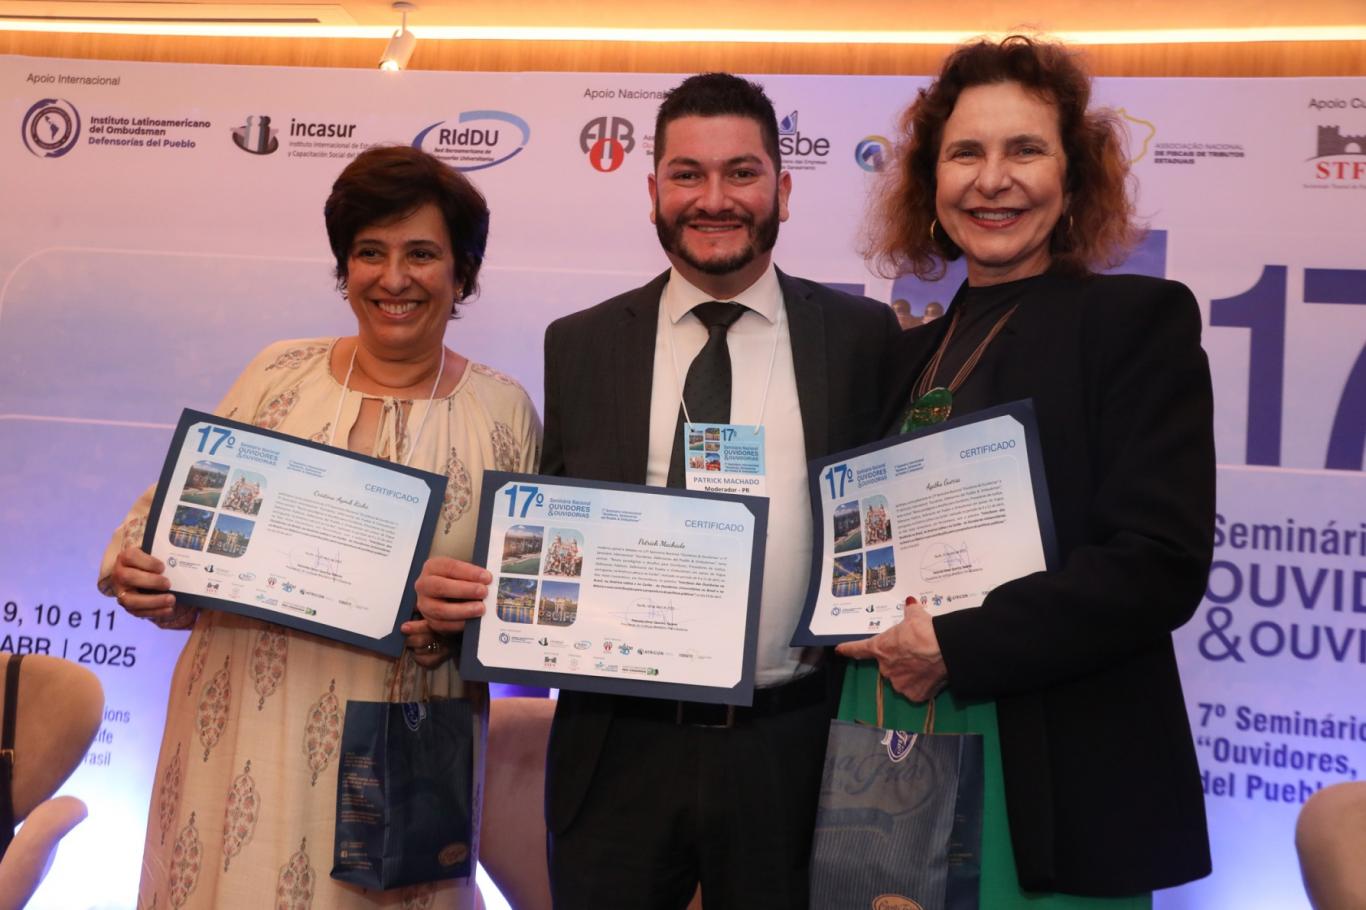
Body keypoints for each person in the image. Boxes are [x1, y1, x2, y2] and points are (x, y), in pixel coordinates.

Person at [98, 146, 540, 908]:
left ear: (462, 273)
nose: (393, 279)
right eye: (369, 252)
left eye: (421, 254)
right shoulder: (277, 372)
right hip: (237, 732)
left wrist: (453, 628)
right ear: (344, 266)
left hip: (398, 758)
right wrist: (148, 576)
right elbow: (173, 521)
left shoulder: (502, 412)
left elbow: (518, 612)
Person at [836, 35, 1214, 905]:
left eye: (1026, 150)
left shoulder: (1134, 323)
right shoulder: (904, 356)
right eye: (965, 153)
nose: (993, 180)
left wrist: (958, 647)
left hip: (1055, 774)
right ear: (931, 183)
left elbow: (1158, 562)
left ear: (1072, 180)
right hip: (889, 740)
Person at [540, 72, 898, 909]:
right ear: (653, 191)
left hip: (794, 747)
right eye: (687, 174)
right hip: (618, 748)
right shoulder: (581, 344)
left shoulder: (862, 339)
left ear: (784, 189)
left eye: (741, 173)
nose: (714, 199)